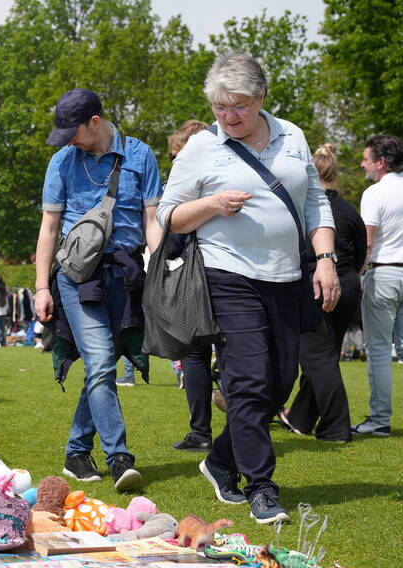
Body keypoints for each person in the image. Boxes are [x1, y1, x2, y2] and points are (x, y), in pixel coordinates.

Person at [156, 53, 338, 524]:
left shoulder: (293, 136)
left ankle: (219, 459)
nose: (229, 116)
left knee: (279, 382)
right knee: (249, 380)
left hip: (286, 276)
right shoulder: (201, 147)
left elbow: (315, 202)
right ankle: (261, 486)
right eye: (220, 107)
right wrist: (212, 204)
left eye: (238, 105)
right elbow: (168, 215)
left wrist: (325, 259)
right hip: (226, 275)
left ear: (261, 98)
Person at [35, 88, 162, 492]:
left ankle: (76, 450)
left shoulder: (141, 156)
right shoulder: (62, 162)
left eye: (73, 132)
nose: (68, 141)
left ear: (95, 122)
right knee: (103, 362)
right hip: (77, 277)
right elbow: (49, 228)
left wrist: (161, 272)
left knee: (100, 365)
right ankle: (119, 457)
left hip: (125, 275)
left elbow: (152, 222)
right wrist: (41, 286)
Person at [281, 143, 366, 442]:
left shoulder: (307, 211)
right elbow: (361, 254)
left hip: (314, 282)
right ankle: (301, 418)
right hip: (348, 285)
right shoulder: (349, 211)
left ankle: (335, 427)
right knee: (325, 356)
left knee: (318, 358)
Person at [158, 119, 216, 451]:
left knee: (195, 354)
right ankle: (242, 427)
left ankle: (200, 431)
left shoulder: (182, 184)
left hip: (195, 275)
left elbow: (173, 235)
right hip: (235, 272)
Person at [352, 134, 403, 437]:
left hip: (384, 273)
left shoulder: (375, 193)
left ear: (381, 162)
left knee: (380, 351)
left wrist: (355, 276)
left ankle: (380, 418)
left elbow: (367, 242)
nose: (362, 164)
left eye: (367, 159)